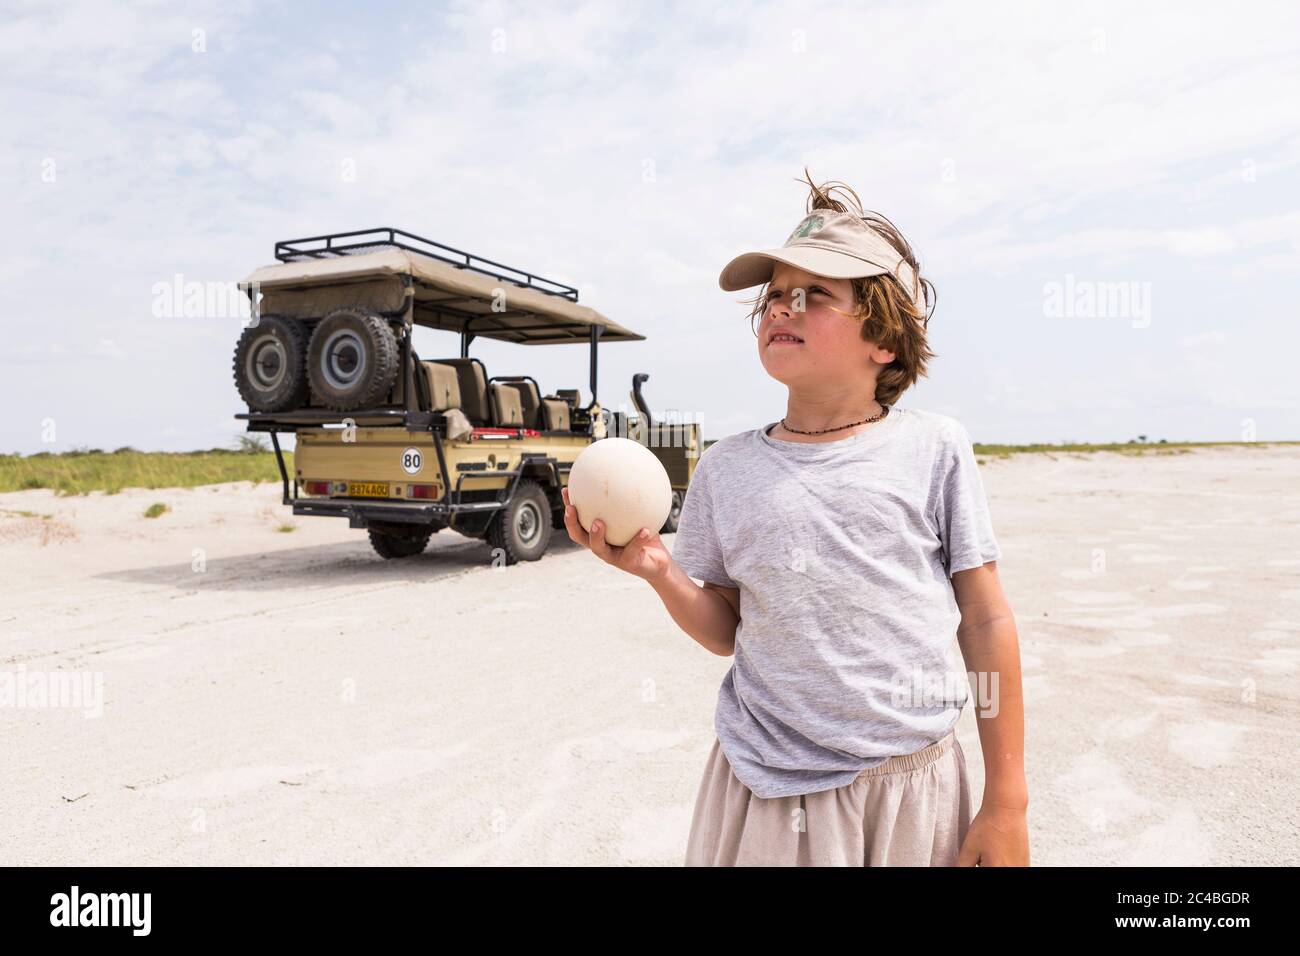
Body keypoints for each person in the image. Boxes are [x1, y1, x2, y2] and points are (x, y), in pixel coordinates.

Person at [561, 170, 1029, 866]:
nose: (782, 307)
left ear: (886, 341)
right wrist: (659, 570)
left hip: (911, 787)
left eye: (813, 296)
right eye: (775, 295)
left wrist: (1006, 801)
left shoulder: (934, 450)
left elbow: (986, 621)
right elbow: (725, 629)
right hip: (766, 791)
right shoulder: (728, 468)